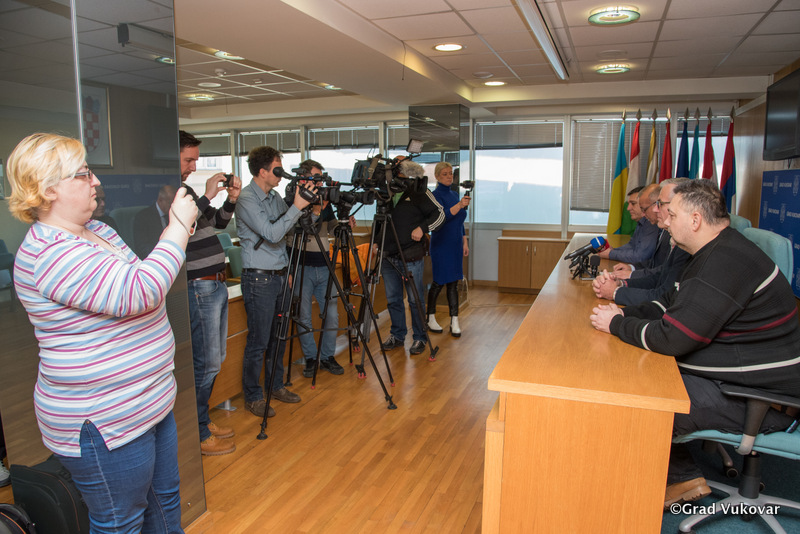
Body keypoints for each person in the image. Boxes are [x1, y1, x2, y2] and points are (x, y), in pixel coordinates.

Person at [7, 132, 198, 533]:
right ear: (48, 189)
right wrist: (179, 226)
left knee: (165, 503)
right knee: (120, 522)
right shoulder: (50, 253)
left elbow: (140, 287)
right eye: (82, 174)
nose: (95, 180)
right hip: (106, 418)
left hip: (149, 399)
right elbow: (142, 291)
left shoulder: (99, 230)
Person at [589, 180, 800, 508]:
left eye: (672, 215)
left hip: (761, 398)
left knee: (638, 399)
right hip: (739, 379)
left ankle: (669, 484)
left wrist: (617, 324)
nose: (664, 222)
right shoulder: (713, 251)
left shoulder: (723, 262)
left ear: (696, 220)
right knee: (641, 376)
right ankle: (683, 476)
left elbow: (672, 337)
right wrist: (622, 313)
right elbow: (669, 305)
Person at [235, 146, 315, 417]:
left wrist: (304, 203)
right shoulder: (247, 199)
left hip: (280, 275)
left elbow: (289, 229)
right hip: (258, 279)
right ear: (262, 172)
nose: (280, 175)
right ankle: (253, 396)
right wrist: (296, 207)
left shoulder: (275, 197)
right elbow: (271, 233)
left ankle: (275, 385)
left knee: (278, 338)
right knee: (259, 341)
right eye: (277, 170)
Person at [179, 130, 242, 456]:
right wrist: (205, 195)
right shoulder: (169, 191)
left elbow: (215, 224)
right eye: (188, 160)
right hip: (198, 285)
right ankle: (199, 430)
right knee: (205, 363)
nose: (193, 166)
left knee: (215, 361)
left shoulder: (187, 190)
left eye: (195, 160)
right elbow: (181, 228)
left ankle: (201, 420)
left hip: (214, 284)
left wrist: (230, 200)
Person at [379, 160, 445, 355]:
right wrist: (376, 241)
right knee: (393, 300)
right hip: (388, 255)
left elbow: (439, 214)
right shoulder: (385, 192)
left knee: (415, 300)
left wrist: (423, 228)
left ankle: (420, 338)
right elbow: (381, 220)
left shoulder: (418, 190)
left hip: (411, 256)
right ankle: (397, 335)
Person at [592, 179, 690, 306]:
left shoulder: (684, 243)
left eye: (660, 204)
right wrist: (622, 284)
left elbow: (664, 295)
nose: (655, 209)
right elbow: (660, 275)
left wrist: (616, 292)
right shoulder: (671, 234)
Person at [291, 159, 347, 378]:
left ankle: (327, 357)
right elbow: (301, 228)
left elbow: (331, 226)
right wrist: (315, 210)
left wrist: (343, 225)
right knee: (303, 316)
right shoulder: (293, 200)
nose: (320, 182)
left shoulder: (324, 200)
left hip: (325, 266)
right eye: (316, 178)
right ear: (303, 178)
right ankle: (311, 358)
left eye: (321, 178)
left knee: (332, 315)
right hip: (301, 266)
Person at [426, 162, 469, 337]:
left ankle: (454, 320)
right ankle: (430, 317)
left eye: (450, 173)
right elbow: (441, 218)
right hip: (441, 244)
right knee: (439, 282)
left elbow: (459, 221)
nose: (449, 176)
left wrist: (464, 241)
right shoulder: (433, 196)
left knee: (453, 282)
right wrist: (459, 205)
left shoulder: (454, 194)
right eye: (445, 174)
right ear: (437, 176)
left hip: (455, 244)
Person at [596, 184, 659, 263]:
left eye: (633, 203)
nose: (628, 208)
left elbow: (640, 256)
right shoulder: (642, 222)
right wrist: (613, 250)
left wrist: (610, 254)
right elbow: (632, 245)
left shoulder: (651, 224)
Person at [133, 184, 177, 259]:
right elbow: (142, 247)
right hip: (154, 259)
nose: (172, 207)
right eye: (170, 203)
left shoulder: (174, 215)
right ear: (160, 200)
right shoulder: (143, 217)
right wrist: (161, 255)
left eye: (174, 204)